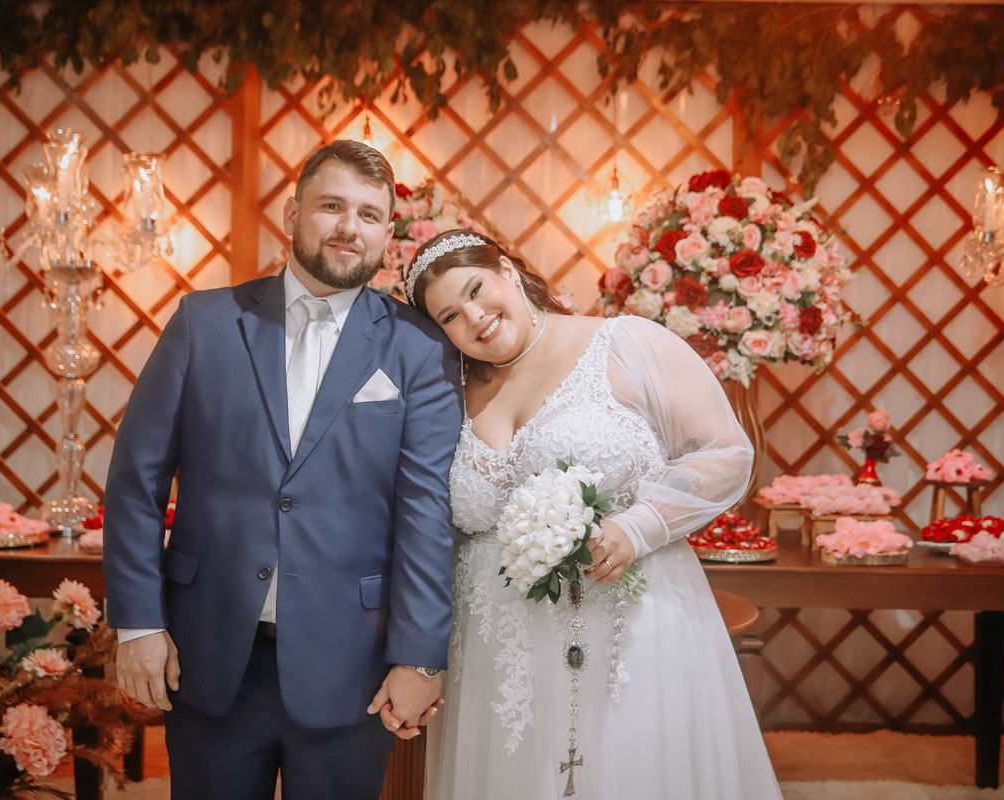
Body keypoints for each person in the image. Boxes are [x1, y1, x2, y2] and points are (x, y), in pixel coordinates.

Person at [102, 140, 464, 800]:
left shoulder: (418, 347)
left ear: (387, 234)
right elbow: (135, 484)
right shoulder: (204, 323)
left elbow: (426, 514)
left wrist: (418, 656)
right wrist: (139, 624)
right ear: (293, 213)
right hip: (208, 655)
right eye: (332, 206)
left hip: (352, 666)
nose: (350, 227)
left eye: (369, 215)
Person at [407, 230, 783, 799]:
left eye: (477, 290)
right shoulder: (446, 392)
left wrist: (639, 526)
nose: (475, 317)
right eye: (450, 316)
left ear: (507, 270)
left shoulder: (626, 343)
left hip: (631, 629)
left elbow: (726, 452)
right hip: (496, 660)